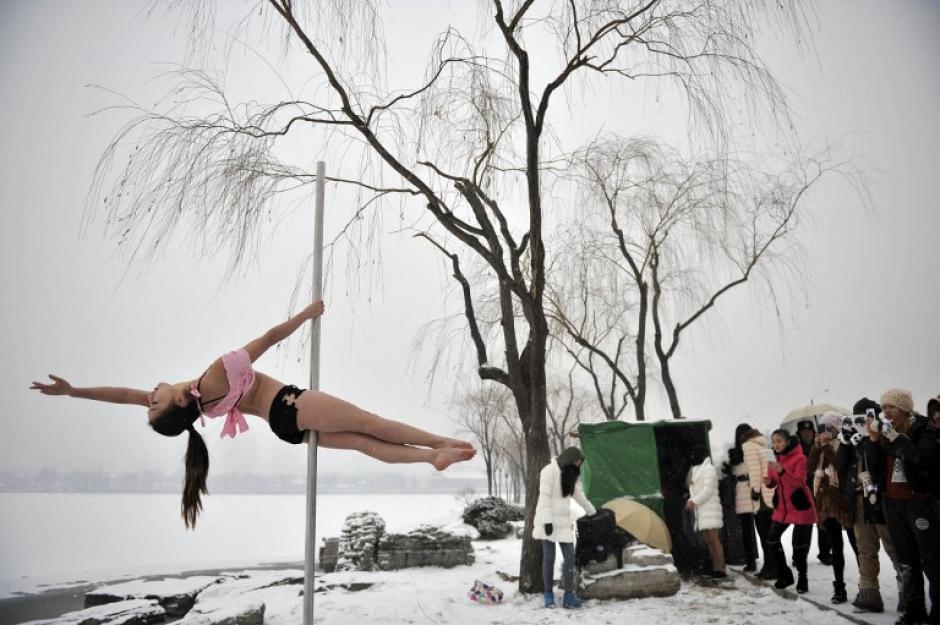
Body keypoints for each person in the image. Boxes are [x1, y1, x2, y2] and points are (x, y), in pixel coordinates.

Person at [31, 300, 476, 528]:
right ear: (178, 403)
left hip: (284, 427)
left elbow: (124, 394)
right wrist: (306, 314)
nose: (148, 395)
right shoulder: (212, 376)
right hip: (290, 404)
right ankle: (439, 443)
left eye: (149, 401)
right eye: (154, 402)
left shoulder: (198, 403)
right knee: (370, 424)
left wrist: (74, 392)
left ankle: (431, 458)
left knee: (364, 445)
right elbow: (268, 338)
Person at [866, 389, 940, 625]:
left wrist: (896, 437)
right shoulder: (886, 433)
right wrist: (873, 441)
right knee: (906, 561)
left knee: (931, 560)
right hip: (893, 503)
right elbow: (874, 468)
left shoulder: (922, 429)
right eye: (884, 407)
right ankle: (915, 610)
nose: (886, 411)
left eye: (891, 407)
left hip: (919, 503)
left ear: (905, 409)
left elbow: (922, 459)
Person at [841, 397, 904, 614]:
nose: (863, 422)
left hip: (881, 499)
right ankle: (869, 595)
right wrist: (845, 442)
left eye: (867, 417)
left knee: (894, 547)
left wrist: (873, 438)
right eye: (857, 418)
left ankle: (907, 592)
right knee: (865, 549)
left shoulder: (884, 435)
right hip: (859, 499)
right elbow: (841, 467)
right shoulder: (853, 440)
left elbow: (880, 465)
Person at [532, 446, 596, 609]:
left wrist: (592, 512)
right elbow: (544, 498)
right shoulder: (548, 471)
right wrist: (547, 521)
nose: (578, 465)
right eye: (577, 462)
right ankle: (548, 595)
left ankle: (569, 596)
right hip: (547, 521)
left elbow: (579, 496)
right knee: (549, 558)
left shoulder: (569, 475)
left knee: (569, 558)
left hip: (563, 523)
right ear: (569, 459)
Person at [808, 412, 853, 604]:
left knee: (856, 544)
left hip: (842, 499)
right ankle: (839, 587)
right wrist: (816, 447)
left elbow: (840, 466)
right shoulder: (821, 447)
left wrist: (826, 447)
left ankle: (867, 586)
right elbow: (811, 467)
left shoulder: (845, 444)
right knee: (836, 546)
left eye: (828, 427)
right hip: (826, 500)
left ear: (836, 428)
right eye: (822, 427)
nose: (824, 431)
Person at [765, 428, 817, 593]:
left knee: (799, 547)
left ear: (787, 442)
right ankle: (785, 574)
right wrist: (769, 482)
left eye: (779, 441)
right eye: (773, 442)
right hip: (783, 506)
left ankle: (803, 578)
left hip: (800, 505)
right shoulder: (774, 459)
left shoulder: (800, 458)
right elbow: (774, 481)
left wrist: (782, 470)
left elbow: (799, 482)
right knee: (771, 540)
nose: (776, 445)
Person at [741, 426, 777, 580]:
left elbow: (755, 471)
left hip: (761, 496)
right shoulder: (764, 445)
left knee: (764, 535)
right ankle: (771, 566)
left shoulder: (748, 446)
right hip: (770, 493)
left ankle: (771, 568)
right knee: (770, 535)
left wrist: (755, 491)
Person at [686, 446, 726, 578]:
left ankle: (721, 568)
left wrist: (694, 501)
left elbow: (708, 490)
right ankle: (715, 566)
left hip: (710, 508)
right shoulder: (694, 470)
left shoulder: (709, 469)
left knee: (714, 539)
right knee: (708, 540)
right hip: (702, 510)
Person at [797, 418, 832, 566]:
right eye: (804, 432)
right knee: (803, 525)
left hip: (819, 488)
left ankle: (825, 553)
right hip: (803, 490)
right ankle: (800, 555)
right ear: (799, 433)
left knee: (823, 521)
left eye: (809, 431)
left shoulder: (819, 445)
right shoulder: (796, 448)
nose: (807, 434)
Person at [726, 424, 758, 572]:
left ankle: (766, 560)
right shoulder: (734, 453)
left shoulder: (756, 449)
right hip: (742, 490)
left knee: (762, 527)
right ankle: (750, 560)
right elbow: (728, 472)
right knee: (746, 529)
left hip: (756, 487)